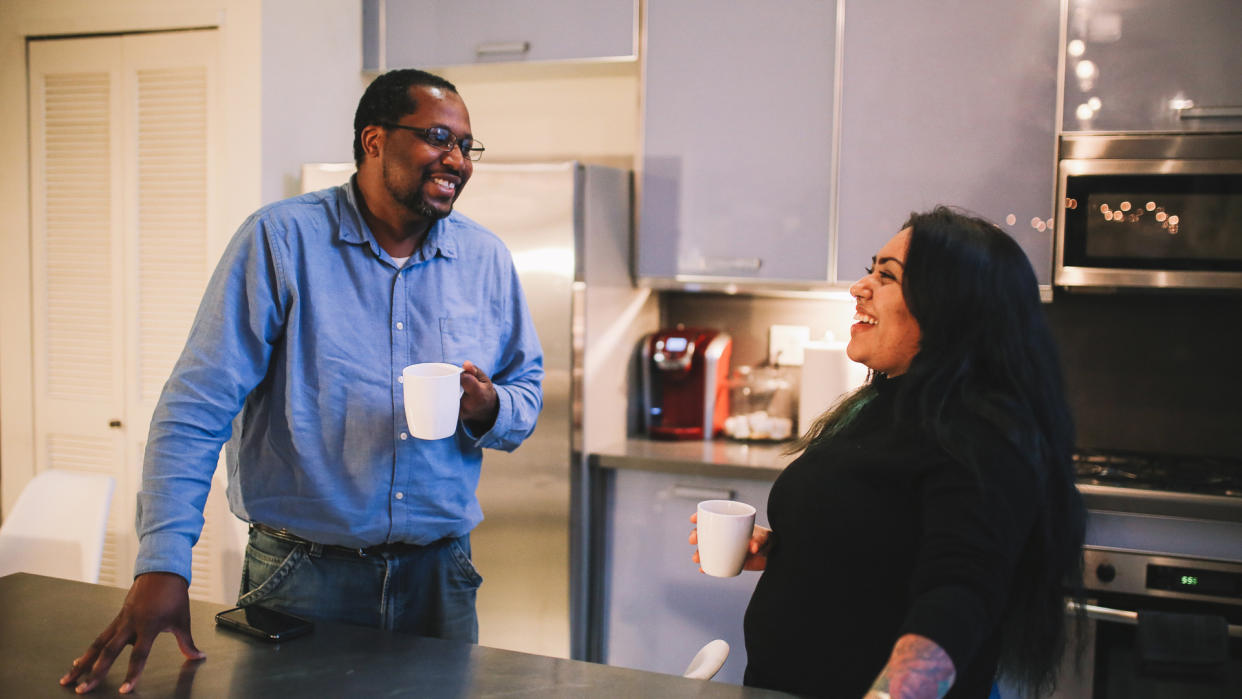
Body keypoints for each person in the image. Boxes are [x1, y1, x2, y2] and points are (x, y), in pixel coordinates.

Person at [60, 68, 544, 694]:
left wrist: (488, 406)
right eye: (436, 138)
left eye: (464, 145)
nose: (456, 160)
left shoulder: (485, 259)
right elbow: (195, 409)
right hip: (302, 577)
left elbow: (526, 392)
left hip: (441, 578)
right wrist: (163, 563)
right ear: (374, 141)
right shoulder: (281, 241)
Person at [690, 206, 1085, 699]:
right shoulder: (887, 402)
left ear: (949, 306)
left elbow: (959, 597)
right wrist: (790, 551)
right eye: (869, 269)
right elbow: (885, 541)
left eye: (887, 276)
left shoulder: (981, 434)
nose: (860, 287)